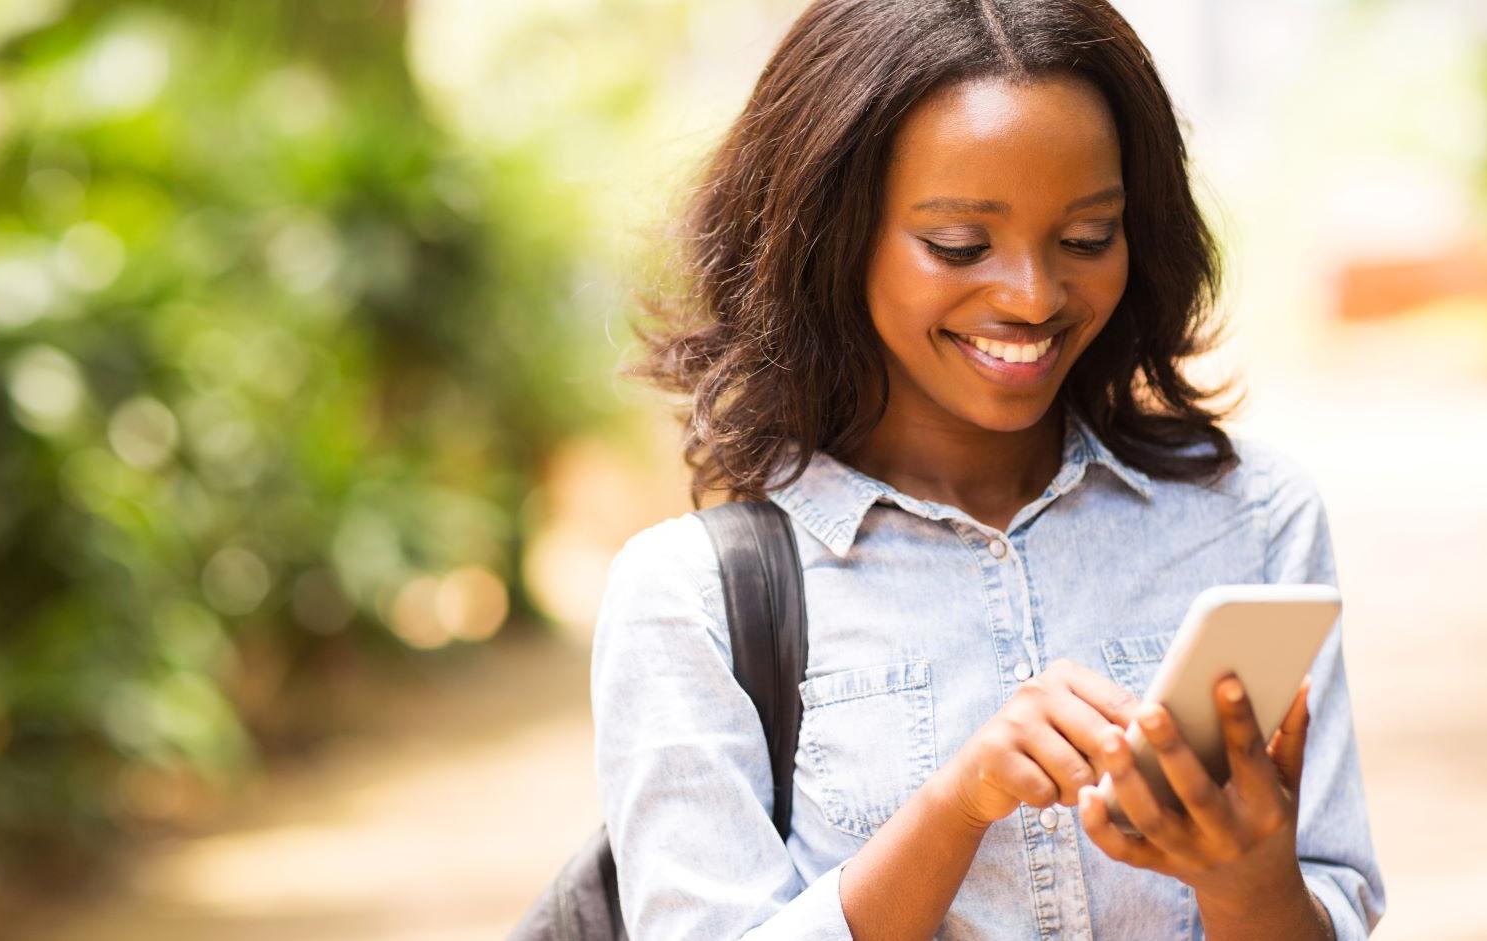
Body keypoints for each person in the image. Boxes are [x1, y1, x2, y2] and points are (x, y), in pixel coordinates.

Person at [589, 0, 1387, 938]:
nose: (1033, 295)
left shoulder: (1249, 518)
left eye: (1086, 238)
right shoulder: (691, 598)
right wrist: (956, 805)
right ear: (830, 237)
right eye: (959, 245)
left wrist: (1244, 876)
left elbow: (1326, 900)